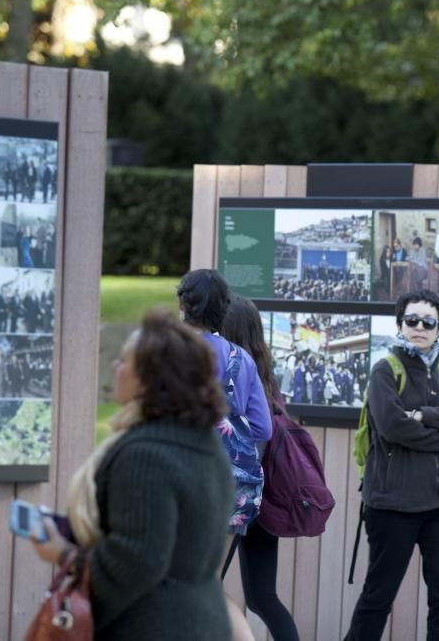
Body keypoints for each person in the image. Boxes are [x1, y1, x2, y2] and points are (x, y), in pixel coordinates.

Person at [32, 308, 234, 640]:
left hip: (153, 627)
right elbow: (161, 538)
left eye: (124, 361)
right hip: (204, 623)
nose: (116, 367)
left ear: (150, 379)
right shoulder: (205, 445)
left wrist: (62, 554)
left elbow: (136, 562)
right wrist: (71, 531)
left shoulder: (146, 454)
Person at [345, 289, 439, 641]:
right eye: (412, 320)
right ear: (399, 324)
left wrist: (424, 415)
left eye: (428, 322)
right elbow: (393, 427)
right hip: (394, 506)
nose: (419, 327)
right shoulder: (385, 371)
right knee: (378, 597)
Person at [176, 268, 272, 641]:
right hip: (236, 487)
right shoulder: (241, 358)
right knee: (208, 582)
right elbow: (263, 428)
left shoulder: (174, 353)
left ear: (185, 304)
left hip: (185, 482)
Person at [220, 295, 300, 641]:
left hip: (238, 496)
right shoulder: (266, 376)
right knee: (263, 597)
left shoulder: (238, 376)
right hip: (264, 499)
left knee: (202, 584)